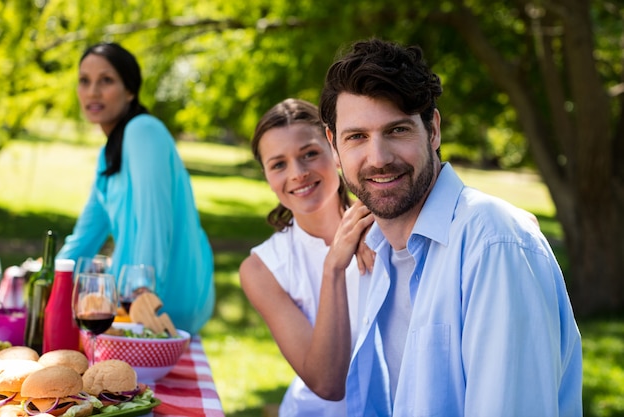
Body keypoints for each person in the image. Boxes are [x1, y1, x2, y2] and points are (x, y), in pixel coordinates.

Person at [317, 39, 583, 416]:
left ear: (434, 130)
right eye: (357, 137)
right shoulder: (380, 250)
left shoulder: (494, 245)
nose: (378, 159)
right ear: (334, 146)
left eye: (397, 131)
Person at [56, 42, 215, 335]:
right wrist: (51, 277)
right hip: (127, 302)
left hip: (157, 301)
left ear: (129, 90)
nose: (92, 91)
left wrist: (142, 289)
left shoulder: (144, 131)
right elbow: (85, 236)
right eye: (84, 81)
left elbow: (155, 219)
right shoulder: (109, 154)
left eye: (106, 80)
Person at [239, 98, 375, 416]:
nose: (298, 173)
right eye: (279, 164)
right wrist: (333, 267)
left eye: (310, 154)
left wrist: (378, 224)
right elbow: (327, 383)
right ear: (268, 177)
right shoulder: (261, 269)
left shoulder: (384, 226)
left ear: (336, 152)